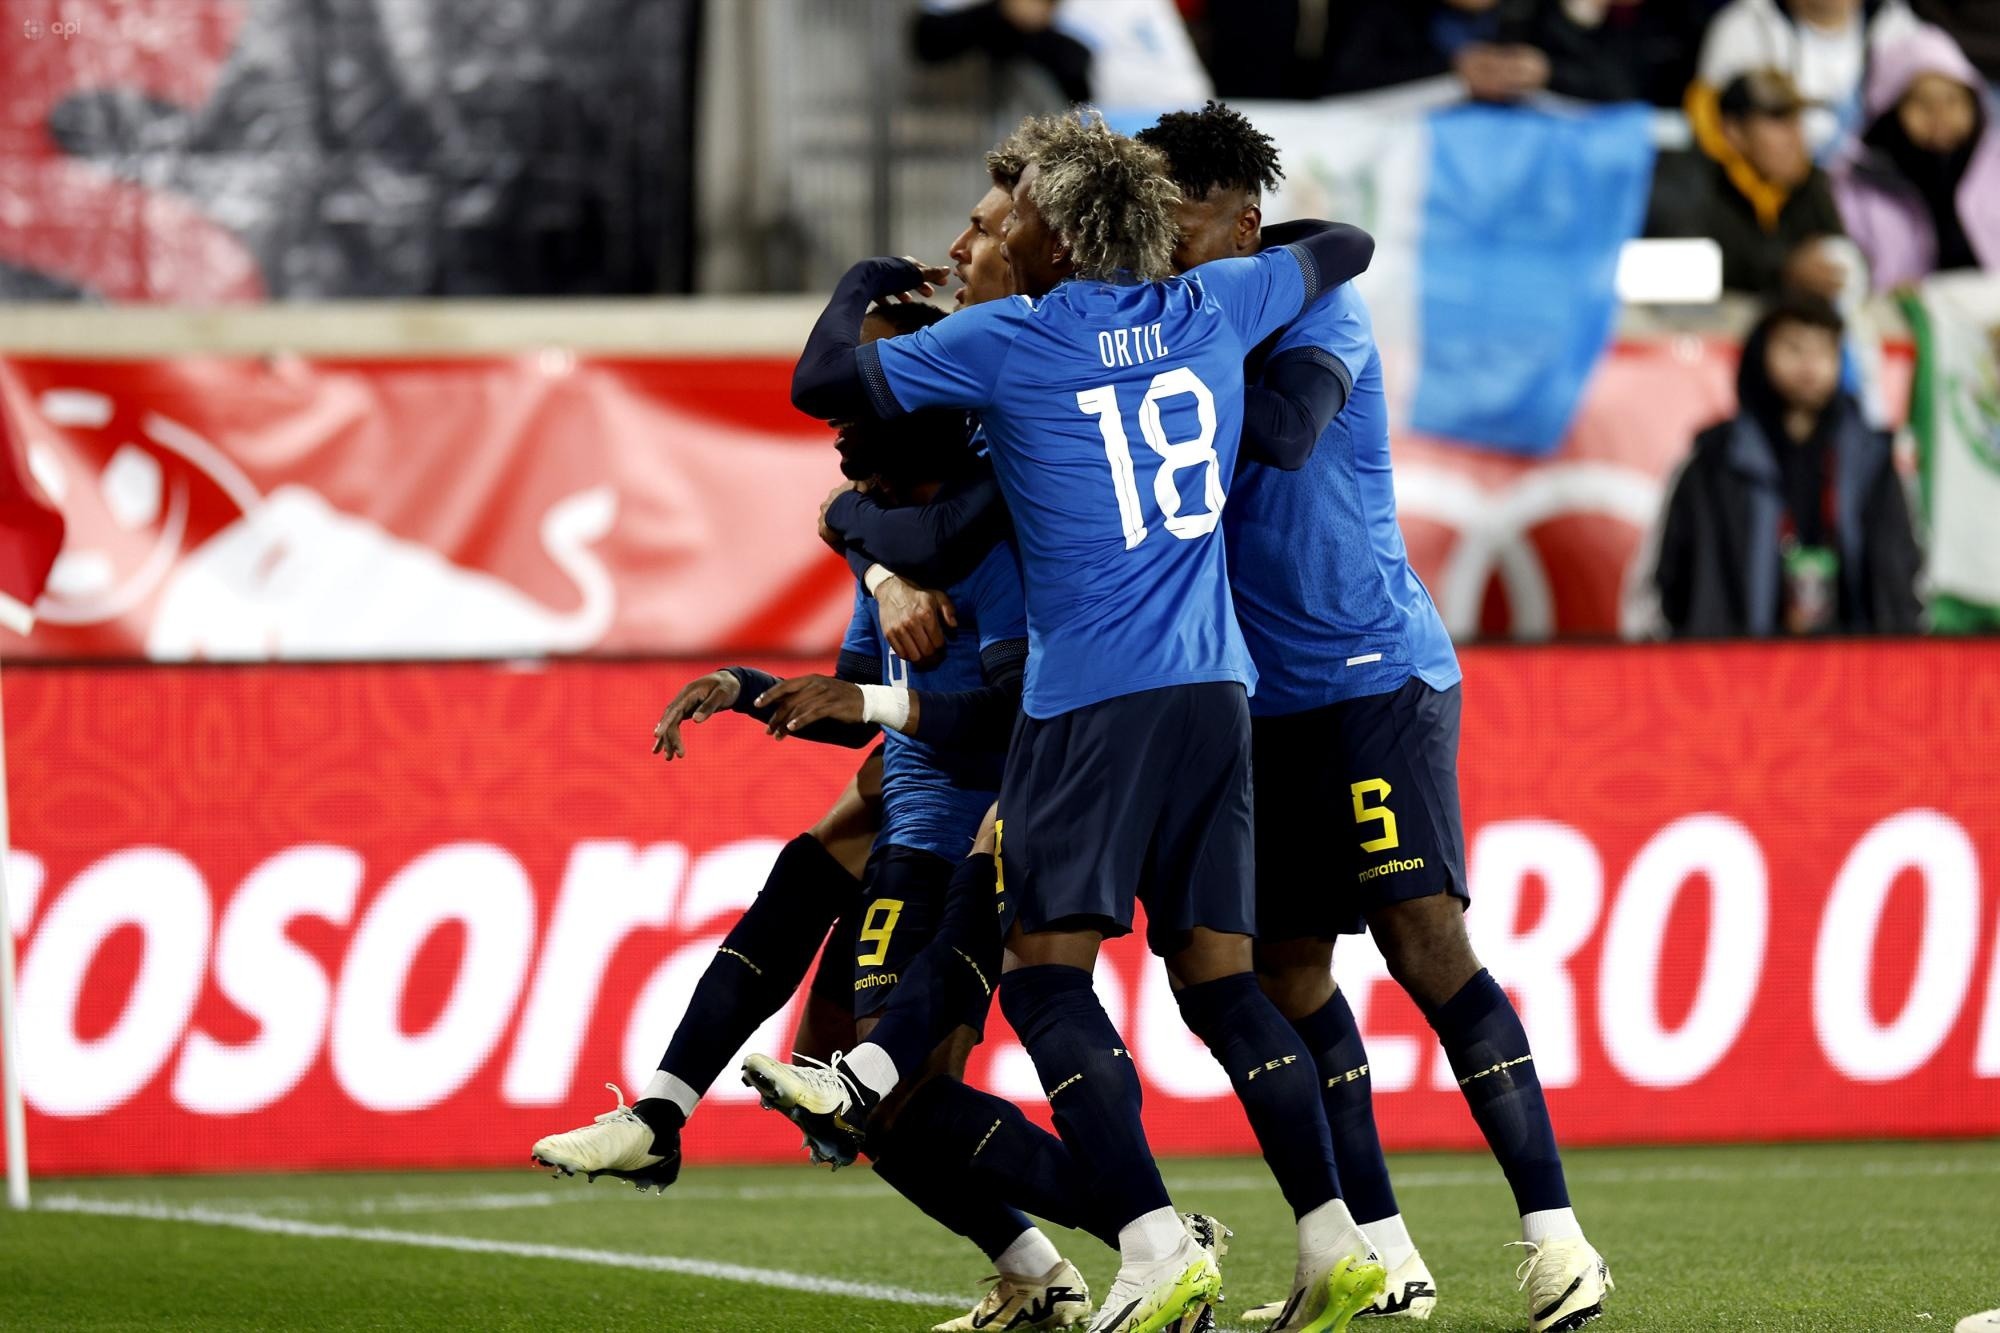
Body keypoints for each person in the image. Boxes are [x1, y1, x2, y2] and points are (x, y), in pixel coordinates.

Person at [786, 112, 1385, 1333]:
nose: (992, 234)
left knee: (1045, 978)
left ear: (1056, 235)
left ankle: (1156, 1245)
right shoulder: (1219, 303)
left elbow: (821, 385)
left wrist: (858, 280)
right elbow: (1349, 243)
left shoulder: (1007, 338)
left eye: (1010, 219)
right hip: (1217, 693)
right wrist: (1253, 246)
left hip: (1088, 698)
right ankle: (1338, 1240)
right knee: (1221, 980)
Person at [1129, 100, 1608, 1333]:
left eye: (1174, 218)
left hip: (1369, 672)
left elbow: (1283, 436)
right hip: (1252, 693)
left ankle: (1556, 1241)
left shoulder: (1309, 307)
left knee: (1419, 937)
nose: (1157, 243)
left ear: (1240, 224)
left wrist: (1170, 374)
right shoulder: (1161, 322)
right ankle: (1380, 1248)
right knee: (1288, 969)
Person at [1652, 292, 1924, 636]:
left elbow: (1905, 568)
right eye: (1793, 348)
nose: (1809, 365)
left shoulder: (1872, 458)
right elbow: (1669, 577)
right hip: (1739, 670)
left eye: (1824, 350)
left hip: (1855, 669)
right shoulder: (1716, 461)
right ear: (1759, 354)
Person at [1653, 67, 1853, 298]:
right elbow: (1687, 268)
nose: (1796, 135)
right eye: (1778, 119)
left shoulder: (1809, 183)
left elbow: (1843, 253)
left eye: (1798, 118)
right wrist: (1783, 271)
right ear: (1733, 131)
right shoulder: (1692, 180)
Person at [1833, 21, 2000, 286]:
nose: (1940, 116)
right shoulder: (1854, 185)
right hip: (1901, 318)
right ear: (1888, 110)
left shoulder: (1993, 165)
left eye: (1953, 100)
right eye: (1922, 103)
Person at [1694, 0, 1923, 154]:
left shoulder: (1900, 27)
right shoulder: (1743, 26)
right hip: (1773, 198)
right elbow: (1709, 127)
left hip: (1879, 194)